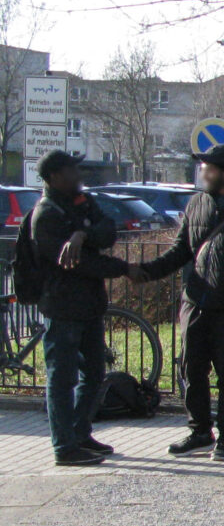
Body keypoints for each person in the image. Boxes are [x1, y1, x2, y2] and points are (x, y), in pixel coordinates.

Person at [137, 145, 224, 462]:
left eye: (209, 168)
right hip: (196, 301)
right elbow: (180, 251)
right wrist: (146, 272)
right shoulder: (197, 204)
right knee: (191, 368)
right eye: (202, 168)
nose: (203, 172)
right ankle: (200, 430)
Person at [29, 151, 138, 466]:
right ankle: (64, 448)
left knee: (94, 373)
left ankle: (80, 432)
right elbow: (80, 264)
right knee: (61, 380)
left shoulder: (81, 202)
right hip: (61, 309)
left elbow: (108, 231)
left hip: (89, 306)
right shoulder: (45, 215)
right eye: (71, 171)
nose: (79, 176)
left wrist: (83, 233)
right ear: (53, 177)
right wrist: (122, 268)